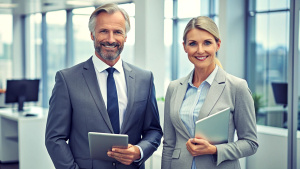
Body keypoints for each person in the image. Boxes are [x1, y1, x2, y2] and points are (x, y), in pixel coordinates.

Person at [45, 3, 163, 169]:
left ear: (126, 37)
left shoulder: (145, 79)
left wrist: (139, 151)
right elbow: (54, 138)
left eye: (117, 32)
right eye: (103, 31)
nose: (110, 39)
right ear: (92, 35)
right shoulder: (67, 80)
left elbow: (154, 130)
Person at [161, 16, 258, 169]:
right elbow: (169, 144)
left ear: (217, 44)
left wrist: (214, 150)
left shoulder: (237, 87)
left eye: (207, 42)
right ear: (184, 47)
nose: (200, 50)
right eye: (193, 43)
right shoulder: (174, 88)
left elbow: (251, 143)